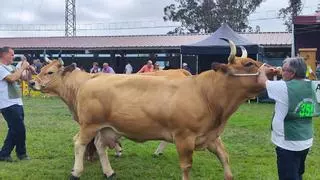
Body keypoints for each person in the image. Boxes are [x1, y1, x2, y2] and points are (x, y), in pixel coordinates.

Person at [258, 57, 317, 180]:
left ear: (292, 73)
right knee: (298, 174)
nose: (281, 71)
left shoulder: (283, 87)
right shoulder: (314, 85)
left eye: (283, 69)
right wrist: (282, 71)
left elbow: (261, 82)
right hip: (305, 140)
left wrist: (262, 70)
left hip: (288, 144)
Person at [0, 46, 30, 162]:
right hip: (7, 103)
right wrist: (22, 67)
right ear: (3, 54)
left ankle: (4, 154)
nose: (14, 56)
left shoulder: (11, 67)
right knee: (19, 129)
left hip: (17, 101)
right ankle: (21, 153)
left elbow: (24, 79)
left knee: (14, 129)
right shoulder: (0, 68)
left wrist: (28, 71)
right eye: (11, 54)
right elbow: (12, 78)